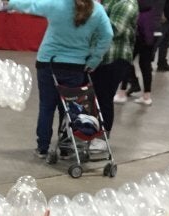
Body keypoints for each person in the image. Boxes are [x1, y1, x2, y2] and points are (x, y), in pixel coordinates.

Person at [6, 0, 113, 159]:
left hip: (48, 62)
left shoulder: (56, 4)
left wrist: (12, 3)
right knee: (70, 108)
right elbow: (108, 35)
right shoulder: (97, 10)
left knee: (46, 107)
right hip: (76, 66)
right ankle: (65, 147)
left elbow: (32, 5)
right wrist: (94, 60)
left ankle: (42, 148)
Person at [90, 0, 139, 151]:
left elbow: (114, 29)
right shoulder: (106, 2)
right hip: (99, 58)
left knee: (104, 97)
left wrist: (88, 23)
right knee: (94, 98)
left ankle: (103, 137)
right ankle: (90, 133)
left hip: (115, 58)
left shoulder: (127, 4)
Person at [114, 0, 164, 106]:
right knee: (145, 64)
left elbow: (138, 7)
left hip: (140, 32)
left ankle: (121, 93)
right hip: (154, 30)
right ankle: (146, 96)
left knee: (127, 61)